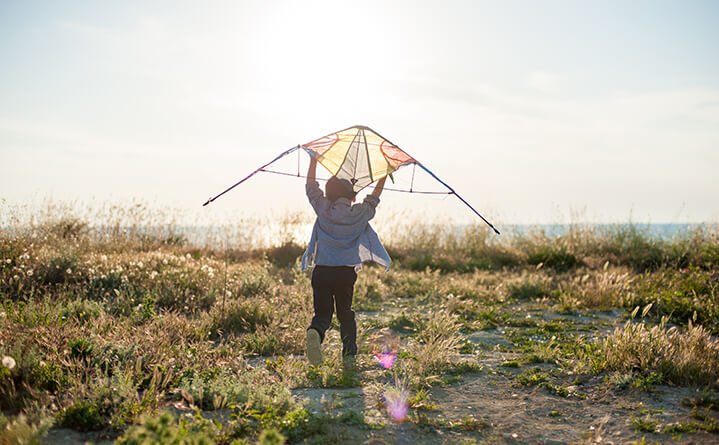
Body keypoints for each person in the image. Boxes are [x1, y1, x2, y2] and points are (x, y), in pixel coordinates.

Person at [301, 154, 390, 366]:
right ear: (352, 197)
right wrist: (384, 174)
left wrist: (313, 160)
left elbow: (311, 187)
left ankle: (316, 331)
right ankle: (349, 355)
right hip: (344, 274)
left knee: (322, 314)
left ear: (329, 195)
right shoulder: (358, 213)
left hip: (322, 271)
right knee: (345, 314)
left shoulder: (322, 208)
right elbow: (374, 198)